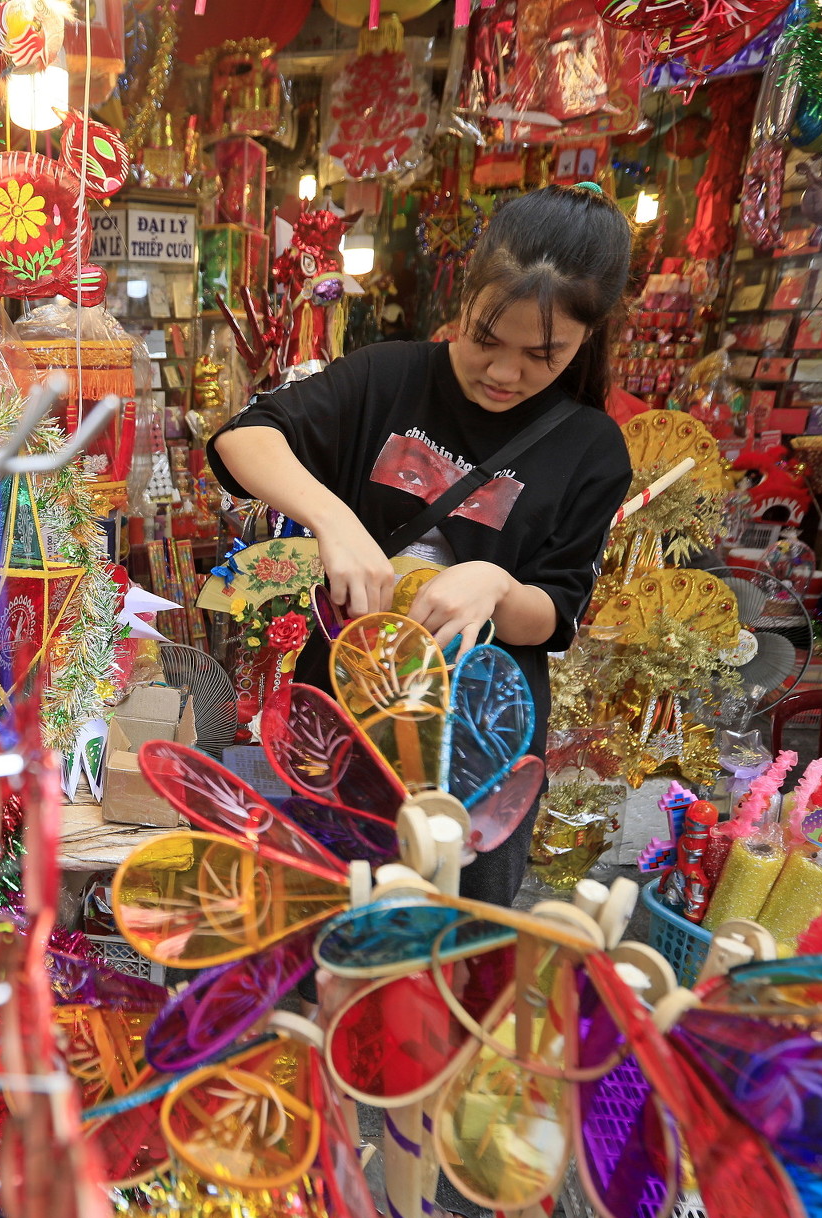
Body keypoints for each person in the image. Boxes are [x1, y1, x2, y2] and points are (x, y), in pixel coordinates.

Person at [208, 183, 636, 906]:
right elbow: (242, 439)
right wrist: (334, 521)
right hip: (347, 709)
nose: (504, 373)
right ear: (463, 300)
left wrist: (495, 588)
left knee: (453, 944)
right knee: (324, 920)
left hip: (482, 737)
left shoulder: (592, 448)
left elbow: (556, 614)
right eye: (486, 339)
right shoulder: (389, 377)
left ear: (586, 339)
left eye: (542, 355)